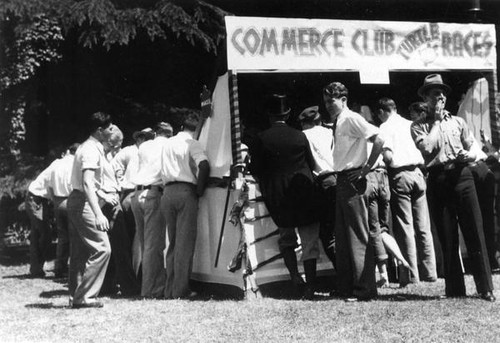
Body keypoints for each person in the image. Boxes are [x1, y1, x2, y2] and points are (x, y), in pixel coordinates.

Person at [411, 73, 495, 301]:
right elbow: (427, 148)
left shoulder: (458, 122)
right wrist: (437, 122)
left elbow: (472, 147)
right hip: (438, 180)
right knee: (447, 236)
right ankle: (455, 289)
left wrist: (467, 155)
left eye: (442, 94)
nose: (439, 98)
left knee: (475, 231)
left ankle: (485, 287)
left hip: (462, 176)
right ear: (426, 99)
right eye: (434, 94)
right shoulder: (418, 126)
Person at [250, 94, 320, 300]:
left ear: (269, 116)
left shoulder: (260, 139)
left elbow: (256, 169)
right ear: (288, 114)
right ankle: (311, 286)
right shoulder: (300, 136)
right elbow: (312, 164)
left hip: (279, 195)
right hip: (303, 192)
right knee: (309, 242)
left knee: (286, 238)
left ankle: (295, 277)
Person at [322, 82, 384, 301]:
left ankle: (364, 288)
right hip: (342, 180)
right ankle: (347, 287)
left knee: (357, 236)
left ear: (343, 100)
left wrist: (366, 168)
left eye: (332, 101)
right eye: (326, 101)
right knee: (343, 237)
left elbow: (379, 139)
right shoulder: (339, 121)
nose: (329, 105)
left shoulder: (350, 118)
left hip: (353, 178)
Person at [376, 97, 437, 287]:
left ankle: (411, 275)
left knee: (405, 227)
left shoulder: (386, 127)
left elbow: (388, 155)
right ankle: (430, 272)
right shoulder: (411, 124)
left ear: (382, 112)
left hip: (400, 175)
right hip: (418, 173)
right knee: (423, 226)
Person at [67, 111, 114, 308]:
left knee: (79, 251)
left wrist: (103, 195)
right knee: (103, 248)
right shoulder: (91, 150)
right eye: (109, 128)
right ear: (99, 130)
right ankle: (85, 297)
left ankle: (76, 296)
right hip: (82, 202)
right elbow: (87, 182)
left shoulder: (89, 147)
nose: (112, 131)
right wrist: (98, 213)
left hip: (77, 200)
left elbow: (89, 183)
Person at [160, 112, 210, 299]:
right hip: (185, 190)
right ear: (197, 129)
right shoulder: (193, 143)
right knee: (185, 244)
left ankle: (169, 289)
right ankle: (181, 290)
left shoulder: (167, 143)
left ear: (181, 126)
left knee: (172, 243)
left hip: (167, 192)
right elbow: (203, 165)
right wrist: (199, 188)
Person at [130, 121, 173, 298]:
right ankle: (152, 290)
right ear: (169, 134)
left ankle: (146, 285)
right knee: (154, 246)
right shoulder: (169, 146)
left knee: (144, 243)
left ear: (156, 133)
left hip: (136, 194)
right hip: (154, 194)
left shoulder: (145, 146)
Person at [99, 126, 140, 297]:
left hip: (114, 198)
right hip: (109, 202)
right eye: (116, 145)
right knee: (120, 246)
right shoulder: (99, 157)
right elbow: (90, 182)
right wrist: (104, 195)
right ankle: (128, 286)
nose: (118, 149)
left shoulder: (108, 157)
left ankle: (107, 285)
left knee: (115, 246)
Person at [297, 105, 336, 271]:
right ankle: (344, 278)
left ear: (304, 123)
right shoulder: (329, 133)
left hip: (320, 182)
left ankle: (342, 277)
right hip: (336, 179)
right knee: (333, 233)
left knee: (322, 235)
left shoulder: (303, 136)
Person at [112, 127, 155, 245]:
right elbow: (114, 166)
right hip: (129, 191)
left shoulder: (152, 151)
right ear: (140, 138)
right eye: (146, 138)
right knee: (129, 233)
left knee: (143, 233)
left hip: (145, 192)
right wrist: (120, 182)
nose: (150, 141)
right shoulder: (129, 151)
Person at [48, 142, 80, 278]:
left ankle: (59, 267)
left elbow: (49, 185)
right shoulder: (73, 164)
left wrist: (54, 199)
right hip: (69, 199)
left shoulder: (56, 163)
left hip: (57, 200)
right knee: (74, 236)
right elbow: (73, 185)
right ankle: (73, 268)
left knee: (62, 237)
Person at [25, 161, 56, 277]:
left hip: (40, 200)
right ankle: (37, 267)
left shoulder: (60, 163)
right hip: (35, 199)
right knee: (44, 234)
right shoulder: (62, 165)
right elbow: (53, 188)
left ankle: (36, 268)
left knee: (38, 234)